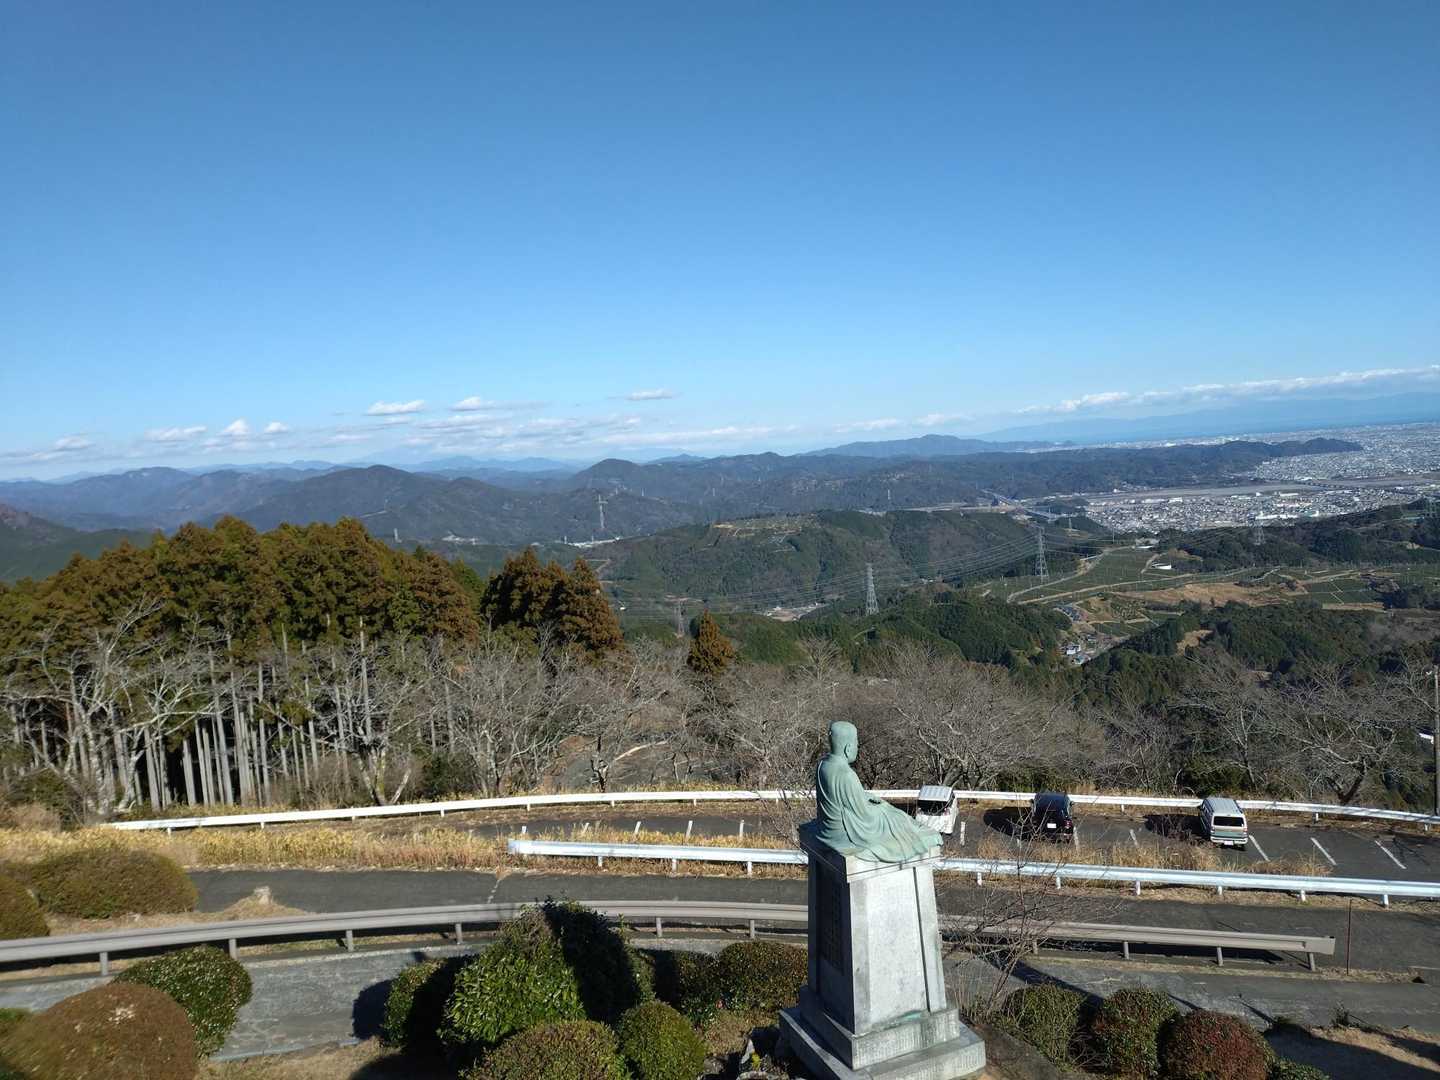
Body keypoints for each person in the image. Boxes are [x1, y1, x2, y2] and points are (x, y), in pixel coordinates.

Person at [815, 720, 941, 863]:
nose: (857, 747)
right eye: (856, 744)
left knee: (886, 809)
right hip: (844, 833)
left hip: (827, 829)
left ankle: (915, 829)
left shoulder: (823, 765)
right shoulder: (847, 774)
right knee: (894, 815)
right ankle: (920, 834)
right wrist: (883, 808)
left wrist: (863, 796)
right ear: (848, 748)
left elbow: (840, 798)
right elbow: (865, 817)